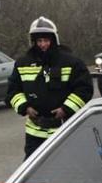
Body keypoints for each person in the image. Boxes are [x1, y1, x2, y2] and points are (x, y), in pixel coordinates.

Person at [6, 17, 93, 159]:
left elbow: (84, 90)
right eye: (39, 41)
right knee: (32, 169)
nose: (43, 45)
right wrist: (25, 107)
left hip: (65, 128)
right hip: (35, 132)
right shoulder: (22, 63)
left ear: (54, 40)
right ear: (33, 41)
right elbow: (13, 91)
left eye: (46, 40)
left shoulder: (71, 62)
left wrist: (65, 109)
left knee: (68, 167)